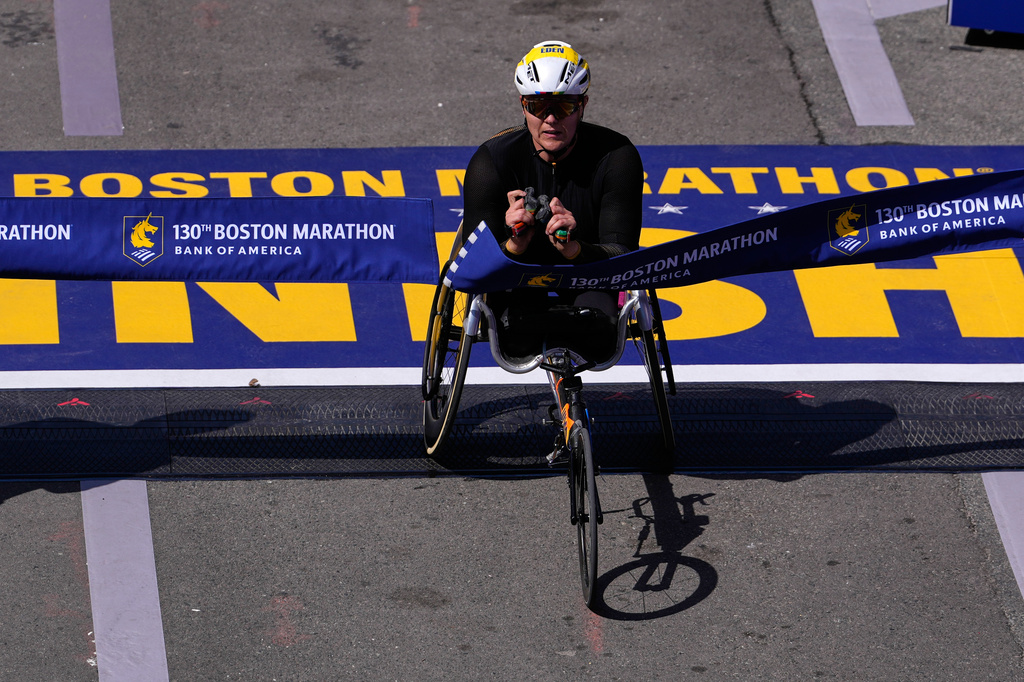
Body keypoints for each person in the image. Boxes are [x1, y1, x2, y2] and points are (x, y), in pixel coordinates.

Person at [461, 40, 645, 360]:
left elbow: (624, 253)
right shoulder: (490, 162)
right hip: (517, 276)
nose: (550, 119)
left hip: (590, 272)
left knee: (598, 340)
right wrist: (513, 244)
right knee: (516, 340)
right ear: (523, 105)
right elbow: (470, 265)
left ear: (582, 105)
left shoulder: (618, 157)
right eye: (537, 106)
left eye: (563, 107)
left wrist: (575, 249)